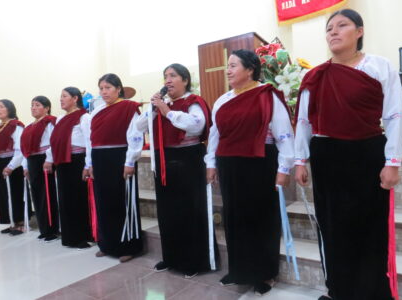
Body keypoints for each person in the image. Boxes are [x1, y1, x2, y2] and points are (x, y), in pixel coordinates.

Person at [294, 9, 402, 300]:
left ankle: (370, 293)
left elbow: (395, 116)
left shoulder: (380, 67)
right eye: (329, 28)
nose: (333, 31)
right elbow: (304, 122)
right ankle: (340, 292)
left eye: (341, 25)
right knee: (333, 229)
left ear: (359, 31)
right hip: (327, 157)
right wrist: (299, 159)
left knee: (369, 229)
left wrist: (392, 162)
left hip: (367, 154)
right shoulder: (315, 76)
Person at [205, 49, 294, 295]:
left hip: (260, 163)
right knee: (234, 219)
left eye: (233, 65)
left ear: (250, 69)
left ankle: (265, 274)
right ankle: (239, 270)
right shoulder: (222, 100)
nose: (228, 70)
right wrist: (211, 164)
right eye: (228, 66)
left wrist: (284, 168)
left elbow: (284, 133)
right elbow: (215, 135)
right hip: (229, 165)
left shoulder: (268, 96)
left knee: (261, 219)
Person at [136, 63, 217, 278]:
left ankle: (194, 261)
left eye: (173, 76)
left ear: (185, 80)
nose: (168, 80)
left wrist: (168, 112)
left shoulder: (193, 102)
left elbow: (197, 126)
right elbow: (138, 127)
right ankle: (171, 257)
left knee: (189, 211)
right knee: (168, 212)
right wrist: (154, 109)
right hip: (165, 161)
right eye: (165, 76)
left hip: (188, 161)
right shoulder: (160, 105)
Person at [87, 73, 143, 262]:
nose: (104, 92)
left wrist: (129, 161)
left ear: (118, 88)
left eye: (108, 87)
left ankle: (128, 246)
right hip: (100, 158)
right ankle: (107, 244)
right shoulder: (96, 112)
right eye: (101, 88)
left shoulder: (129, 108)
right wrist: (90, 163)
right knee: (103, 202)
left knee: (122, 202)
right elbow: (91, 140)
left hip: (119, 157)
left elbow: (135, 136)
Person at [44, 87, 92, 249]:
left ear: (75, 98)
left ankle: (82, 236)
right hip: (63, 162)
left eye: (64, 96)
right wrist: (49, 159)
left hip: (78, 161)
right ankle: (70, 236)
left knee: (78, 199)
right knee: (65, 200)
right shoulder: (60, 120)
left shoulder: (84, 117)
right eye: (61, 96)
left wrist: (88, 164)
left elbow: (89, 142)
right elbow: (54, 142)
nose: (61, 99)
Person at [21, 96, 60, 242]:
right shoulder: (29, 127)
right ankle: (44, 228)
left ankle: (52, 229)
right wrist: (25, 166)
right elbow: (25, 149)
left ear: (47, 108)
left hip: (45, 160)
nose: (33, 108)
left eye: (37, 105)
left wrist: (49, 160)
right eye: (32, 105)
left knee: (48, 194)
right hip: (32, 161)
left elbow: (53, 142)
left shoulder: (49, 122)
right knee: (36, 194)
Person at [0, 99, 25, 235]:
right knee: (3, 194)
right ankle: (10, 222)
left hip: (13, 163)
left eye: (1, 107)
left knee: (14, 192)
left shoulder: (16, 126)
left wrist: (11, 166)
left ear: (9, 109)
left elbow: (20, 149)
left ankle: (19, 222)